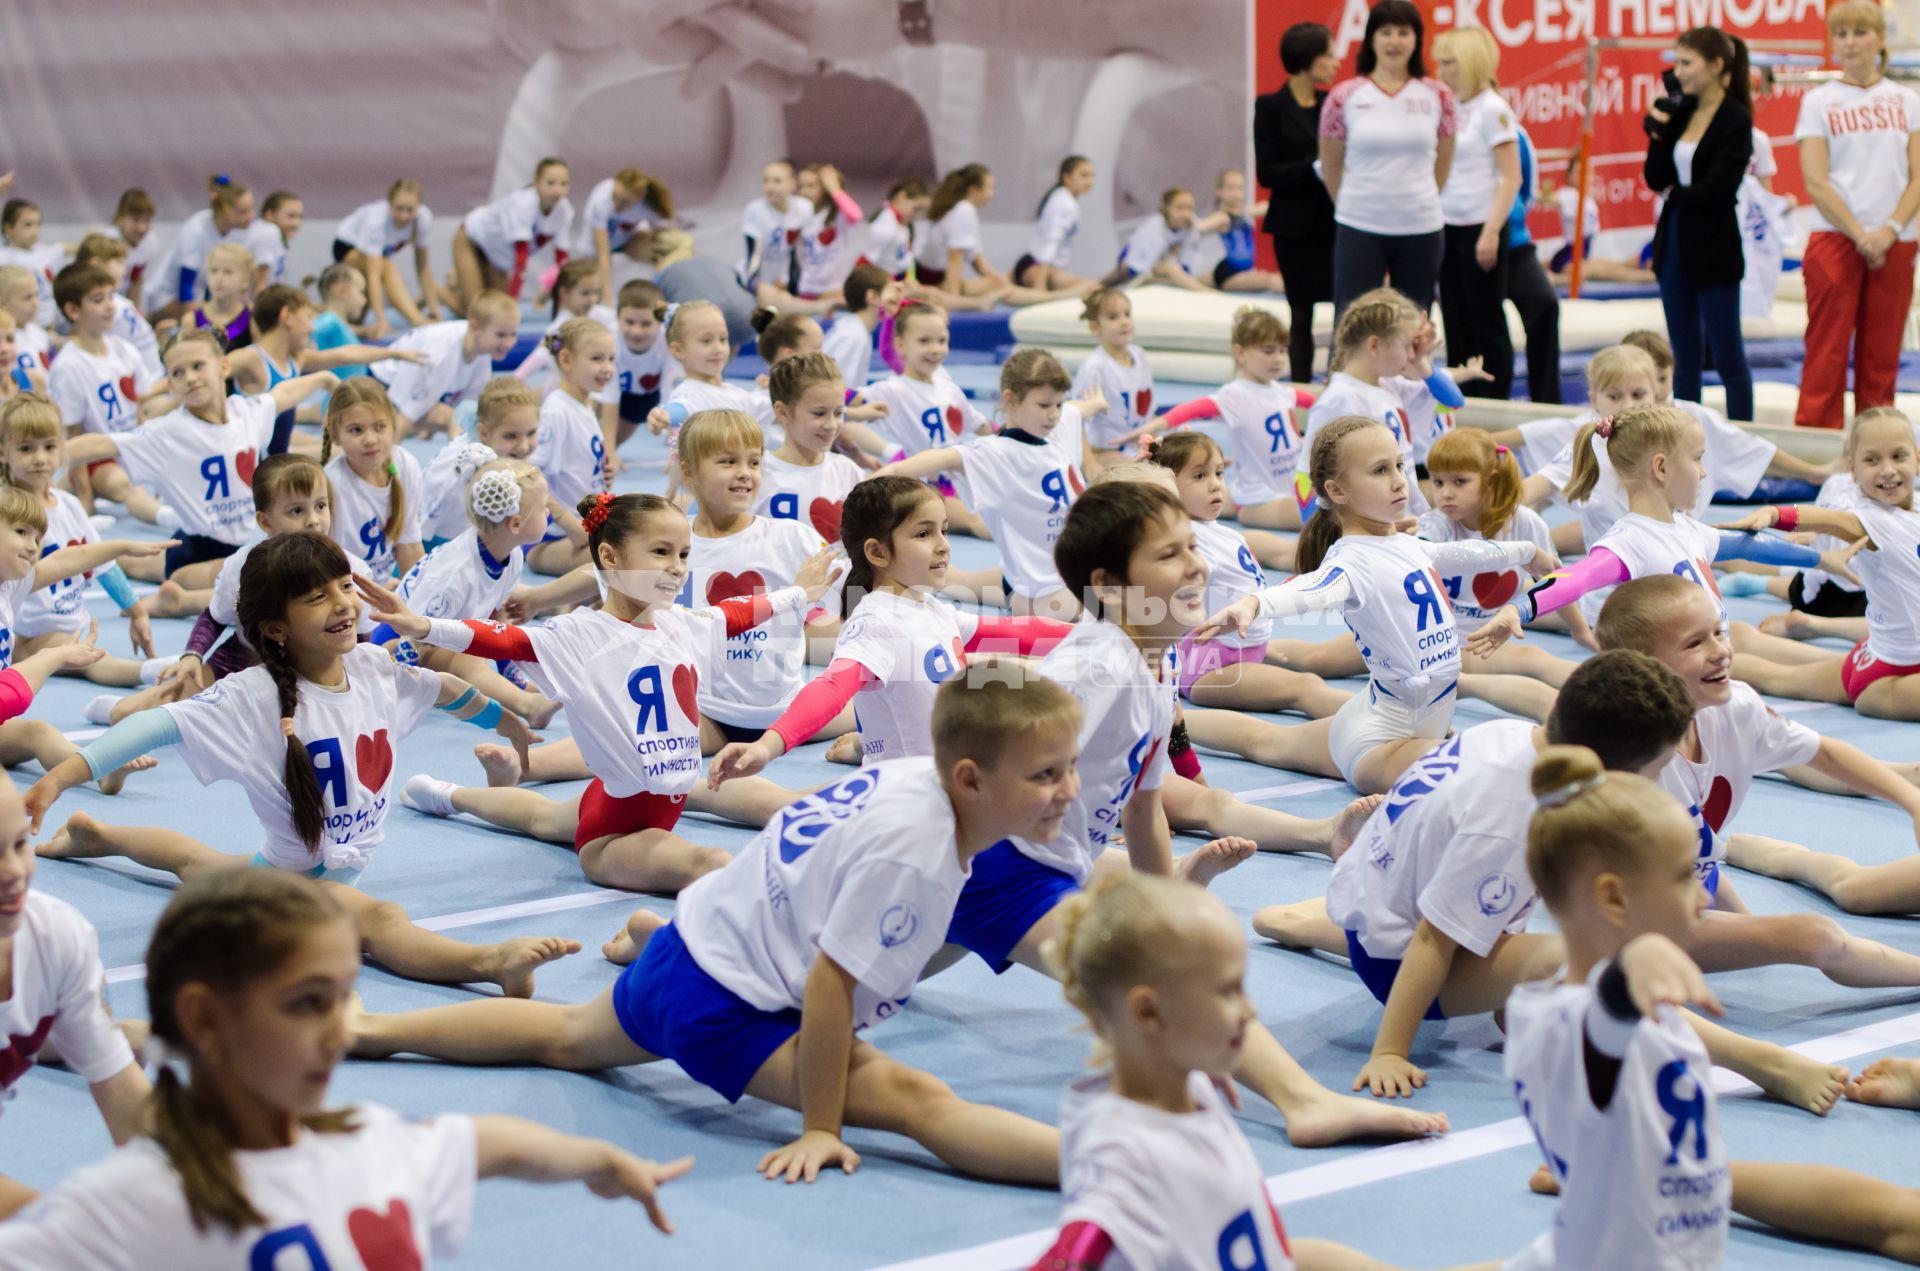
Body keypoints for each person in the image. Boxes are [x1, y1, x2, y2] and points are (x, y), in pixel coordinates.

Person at [353, 675, 1079, 1187]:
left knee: (566, 1034)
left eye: (1069, 767)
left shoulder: (919, 779)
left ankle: (372, 1031)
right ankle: (1132, 1168)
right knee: (920, 1101)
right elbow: (831, 986)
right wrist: (821, 1126)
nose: (1068, 789)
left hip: (688, 945)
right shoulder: (914, 858)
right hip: (727, 1006)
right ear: (971, 778)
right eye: (1046, 773)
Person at [0, 868, 691, 1264]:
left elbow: (490, 1143)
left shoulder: (365, 1139)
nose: (339, 1029)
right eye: (305, 1003)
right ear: (206, 1018)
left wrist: (599, 1160)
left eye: (343, 996)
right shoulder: (135, 1200)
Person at [24, 533, 578, 998]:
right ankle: (488, 964)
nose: (342, 604)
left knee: (199, 865)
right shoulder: (251, 696)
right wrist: (60, 776)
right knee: (380, 921)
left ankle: (95, 834)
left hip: (289, 866)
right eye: (317, 597)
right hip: (298, 884)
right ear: (275, 628)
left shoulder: (369, 666)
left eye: (343, 587)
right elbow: (157, 725)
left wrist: (503, 722)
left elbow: (443, 688)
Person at [1024, 874, 1451, 1271]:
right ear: (1149, 1012)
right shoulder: (1124, 1154)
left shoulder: (1183, 1080)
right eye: (1228, 991)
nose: (1250, 1010)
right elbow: (1075, 1250)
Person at [1195, 417, 1551, 793]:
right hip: (1382, 743)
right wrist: (1254, 603)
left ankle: (1174, 720)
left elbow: (1465, 553)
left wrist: (1525, 551)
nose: (1399, 479)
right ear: (1337, 490)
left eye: (1399, 465)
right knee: (1508, 767)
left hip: (1386, 716)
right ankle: (1169, 724)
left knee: (1268, 742)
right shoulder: (1351, 560)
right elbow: (1313, 587)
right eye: (1380, 471)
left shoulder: (1405, 544)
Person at [1502, 749, 1731, 1269]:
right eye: (1682, 876)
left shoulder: (1641, 1004)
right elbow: (1600, 1030)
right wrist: (1632, 968)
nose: (1704, 898)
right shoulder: (1552, 1024)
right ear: (1614, 899)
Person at [708, 474, 1066, 783]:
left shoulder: (929, 609)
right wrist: (768, 745)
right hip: (909, 792)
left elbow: (1019, 632)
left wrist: (1107, 635)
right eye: (924, 534)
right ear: (877, 553)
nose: (943, 545)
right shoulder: (875, 625)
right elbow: (830, 688)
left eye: (943, 530)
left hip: (951, 775)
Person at [872, 349, 1097, 618]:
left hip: (1028, 574)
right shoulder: (994, 453)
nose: (1054, 414)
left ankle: (926, 574)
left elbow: (1077, 410)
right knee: (1123, 607)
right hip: (1041, 592)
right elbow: (942, 458)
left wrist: (1097, 403)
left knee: (958, 583)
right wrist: (880, 478)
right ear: (1010, 400)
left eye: (1058, 405)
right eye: (1045, 405)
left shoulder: (1055, 429)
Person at [1794, 0, 1920, 429]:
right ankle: (1816, 447)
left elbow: (1917, 178)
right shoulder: (1818, 102)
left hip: (1896, 240)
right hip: (1835, 237)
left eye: (1859, 34)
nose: (1849, 44)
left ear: (1881, 40)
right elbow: (1815, 180)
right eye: (1841, 35)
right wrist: (1859, 234)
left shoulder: (1906, 101)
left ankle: (1877, 448)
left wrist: (1889, 229)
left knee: (1881, 355)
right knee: (1826, 352)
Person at [1644, 27, 1754, 423]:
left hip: (1715, 245)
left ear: (1716, 65)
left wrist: (1676, 193)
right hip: (1674, 241)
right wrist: (1658, 127)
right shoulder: (1681, 110)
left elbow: (1716, 190)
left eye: (1687, 63)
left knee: (1728, 356)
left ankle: (1743, 435)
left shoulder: (1737, 119)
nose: (1679, 72)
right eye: (1677, 63)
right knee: (1684, 356)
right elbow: (1655, 178)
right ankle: (1684, 440)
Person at [1320, 0, 1457, 316]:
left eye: (1403, 33)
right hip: (1359, 226)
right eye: (1385, 32)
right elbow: (1330, 165)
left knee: (1413, 328)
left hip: (1421, 227)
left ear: (1416, 40)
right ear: (1371, 39)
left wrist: (1416, 197)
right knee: (1352, 324)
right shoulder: (1344, 97)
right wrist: (1354, 204)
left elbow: (1444, 161)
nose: (1394, 41)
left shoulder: (1439, 96)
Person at [1119, 306, 1311, 531]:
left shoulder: (1281, 391)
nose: (1278, 358)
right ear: (1240, 353)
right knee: (1323, 517)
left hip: (1287, 487)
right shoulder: (1236, 395)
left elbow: (1315, 402)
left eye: (1282, 350)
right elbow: (1193, 409)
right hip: (1260, 499)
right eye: (1268, 351)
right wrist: (1152, 426)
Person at [1434, 27, 1520, 399]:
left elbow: (1511, 177)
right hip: (1446, 225)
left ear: (1469, 63)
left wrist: (1491, 231)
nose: (1441, 70)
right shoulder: (1452, 105)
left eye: (1449, 63)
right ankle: (1462, 399)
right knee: (1454, 316)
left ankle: (1496, 399)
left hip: (1478, 226)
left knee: (1485, 318)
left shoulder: (1493, 109)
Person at [1257, 22, 1338, 382]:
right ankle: (1302, 395)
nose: (1336, 62)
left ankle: (1341, 388)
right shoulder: (1271, 107)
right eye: (1329, 54)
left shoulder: (1332, 103)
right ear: (1308, 59)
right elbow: (1267, 172)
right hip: (1295, 228)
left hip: (1335, 223)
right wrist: (1313, 168)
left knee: (1344, 313)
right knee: (1301, 314)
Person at [319, 379, 424, 582]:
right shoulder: (331, 486)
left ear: (393, 425)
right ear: (335, 434)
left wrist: (413, 604)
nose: (370, 439)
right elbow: (328, 571)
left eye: (379, 427)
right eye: (356, 430)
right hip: (345, 594)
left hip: (382, 589)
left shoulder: (405, 464)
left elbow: (409, 546)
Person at [451, 157, 573, 313]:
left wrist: (557, 296)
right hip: (472, 239)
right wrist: (513, 302)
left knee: (494, 313)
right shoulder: (523, 205)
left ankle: (457, 282)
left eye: (564, 184)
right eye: (550, 183)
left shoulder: (564, 211)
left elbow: (562, 261)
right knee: (477, 312)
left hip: (497, 257)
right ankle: (439, 291)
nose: (557, 190)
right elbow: (521, 259)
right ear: (537, 183)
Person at [332, 179, 449, 337]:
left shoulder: (423, 219)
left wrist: (434, 310)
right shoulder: (377, 220)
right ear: (389, 204)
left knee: (359, 317)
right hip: (347, 245)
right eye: (398, 209)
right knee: (387, 267)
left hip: (379, 257)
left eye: (410, 210)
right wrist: (381, 320)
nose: (403, 216)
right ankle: (415, 318)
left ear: (419, 207)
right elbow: (374, 276)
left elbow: (423, 268)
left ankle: (416, 318)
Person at [1015, 156, 1098, 294]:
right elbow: (1050, 243)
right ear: (1067, 177)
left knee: (1093, 287)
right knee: (1093, 289)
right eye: (1084, 175)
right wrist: (1039, 287)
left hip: (1038, 266)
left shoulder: (1061, 197)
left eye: (1092, 175)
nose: (1090, 181)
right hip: (1038, 268)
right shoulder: (1065, 204)